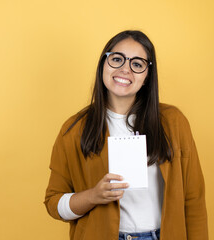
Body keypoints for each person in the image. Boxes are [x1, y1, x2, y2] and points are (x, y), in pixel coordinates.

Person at [44, 30, 208, 240]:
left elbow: (193, 200)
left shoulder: (173, 122)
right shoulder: (75, 129)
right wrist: (94, 196)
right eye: (117, 59)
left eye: (137, 64)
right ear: (103, 63)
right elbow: (53, 205)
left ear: (147, 75)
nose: (125, 69)